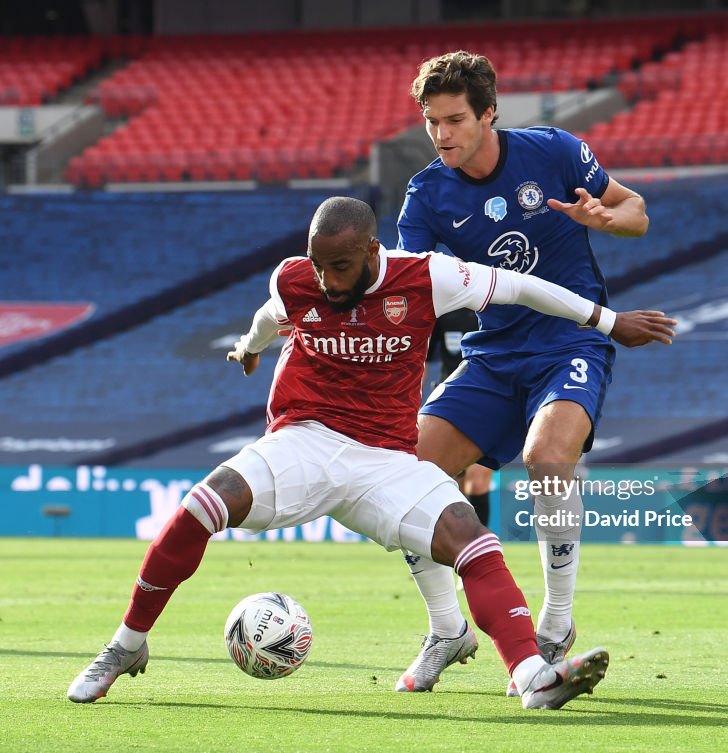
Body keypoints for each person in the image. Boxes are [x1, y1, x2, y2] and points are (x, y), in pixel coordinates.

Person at [66, 196, 676, 710]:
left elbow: (519, 285)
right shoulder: (295, 278)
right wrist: (249, 348)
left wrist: (605, 320)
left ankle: (531, 677)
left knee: (471, 539)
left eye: (341, 266)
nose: (328, 280)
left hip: (386, 459)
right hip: (303, 441)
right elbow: (269, 315)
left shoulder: (427, 276)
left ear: (372, 252)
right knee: (200, 507)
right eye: (319, 264)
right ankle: (126, 644)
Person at [393, 50, 656, 696]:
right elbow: (403, 288)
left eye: (455, 119)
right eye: (432, 122)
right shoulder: (427, 195)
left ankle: (556, 623)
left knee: (546, 456)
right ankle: (447, 628)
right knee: (403, 475)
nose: (442, 134)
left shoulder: (555, 152)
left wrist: (605, 217)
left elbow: (637, 211)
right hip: (493, 353)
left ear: (489, 114)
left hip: (571, 341)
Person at [425, 308, 493, 527]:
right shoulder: (445, 312)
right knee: (452, 482)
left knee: (478, 481)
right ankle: (458, 543)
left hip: (488, 402)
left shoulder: (494, 312)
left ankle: (479, 545)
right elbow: (423, 361)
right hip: (450, 404)